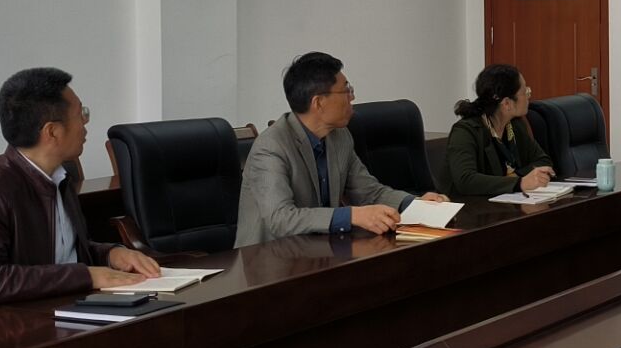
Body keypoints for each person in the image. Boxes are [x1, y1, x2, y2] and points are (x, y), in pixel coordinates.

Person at [0, 67, 161, 309]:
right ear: (52, 131)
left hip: (67, 308)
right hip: (19, 323)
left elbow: (65, 254)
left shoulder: (58, 177)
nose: (85, 123)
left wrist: (110, 255)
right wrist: (87, 276)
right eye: (80, 114)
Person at [236, 52, 447, 246]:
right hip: (268, 259)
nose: (352, 97)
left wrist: (415, 204)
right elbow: (280, 219)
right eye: (346, 90)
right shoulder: (271, 147)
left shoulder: (339, 136)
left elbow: (368, 192)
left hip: (316, 251)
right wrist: (352, 216)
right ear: (319, 102)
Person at [443, 64, 554, 199]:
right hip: (469, 207)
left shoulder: (515, 125)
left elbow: (543, 161)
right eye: (525, 91)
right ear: (506, 103)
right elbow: (465, 180)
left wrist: (517, 178)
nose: (528, 96)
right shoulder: (465, 131)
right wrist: (520, 183)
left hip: (506, 202)